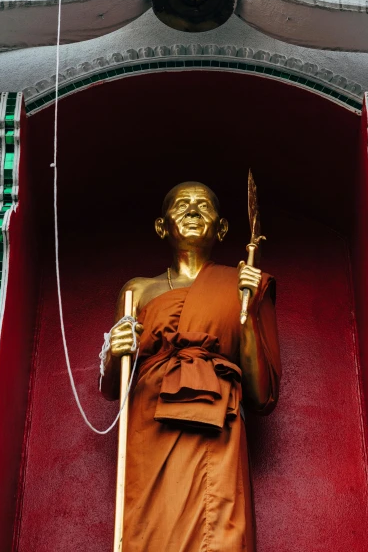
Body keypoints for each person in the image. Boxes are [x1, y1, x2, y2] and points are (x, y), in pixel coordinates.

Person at [101, 181, 281, 552]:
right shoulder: (137, 290)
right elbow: (115, 381)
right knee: (151, 528)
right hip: (152, 422)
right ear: (161, 226)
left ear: (223, 228)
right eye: (181, 204)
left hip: (217, 423)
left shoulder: (243, 282)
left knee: (218, 530)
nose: (193, 209)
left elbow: (262, 395)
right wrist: (115, 352)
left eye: (204, 205)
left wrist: (246, 312)